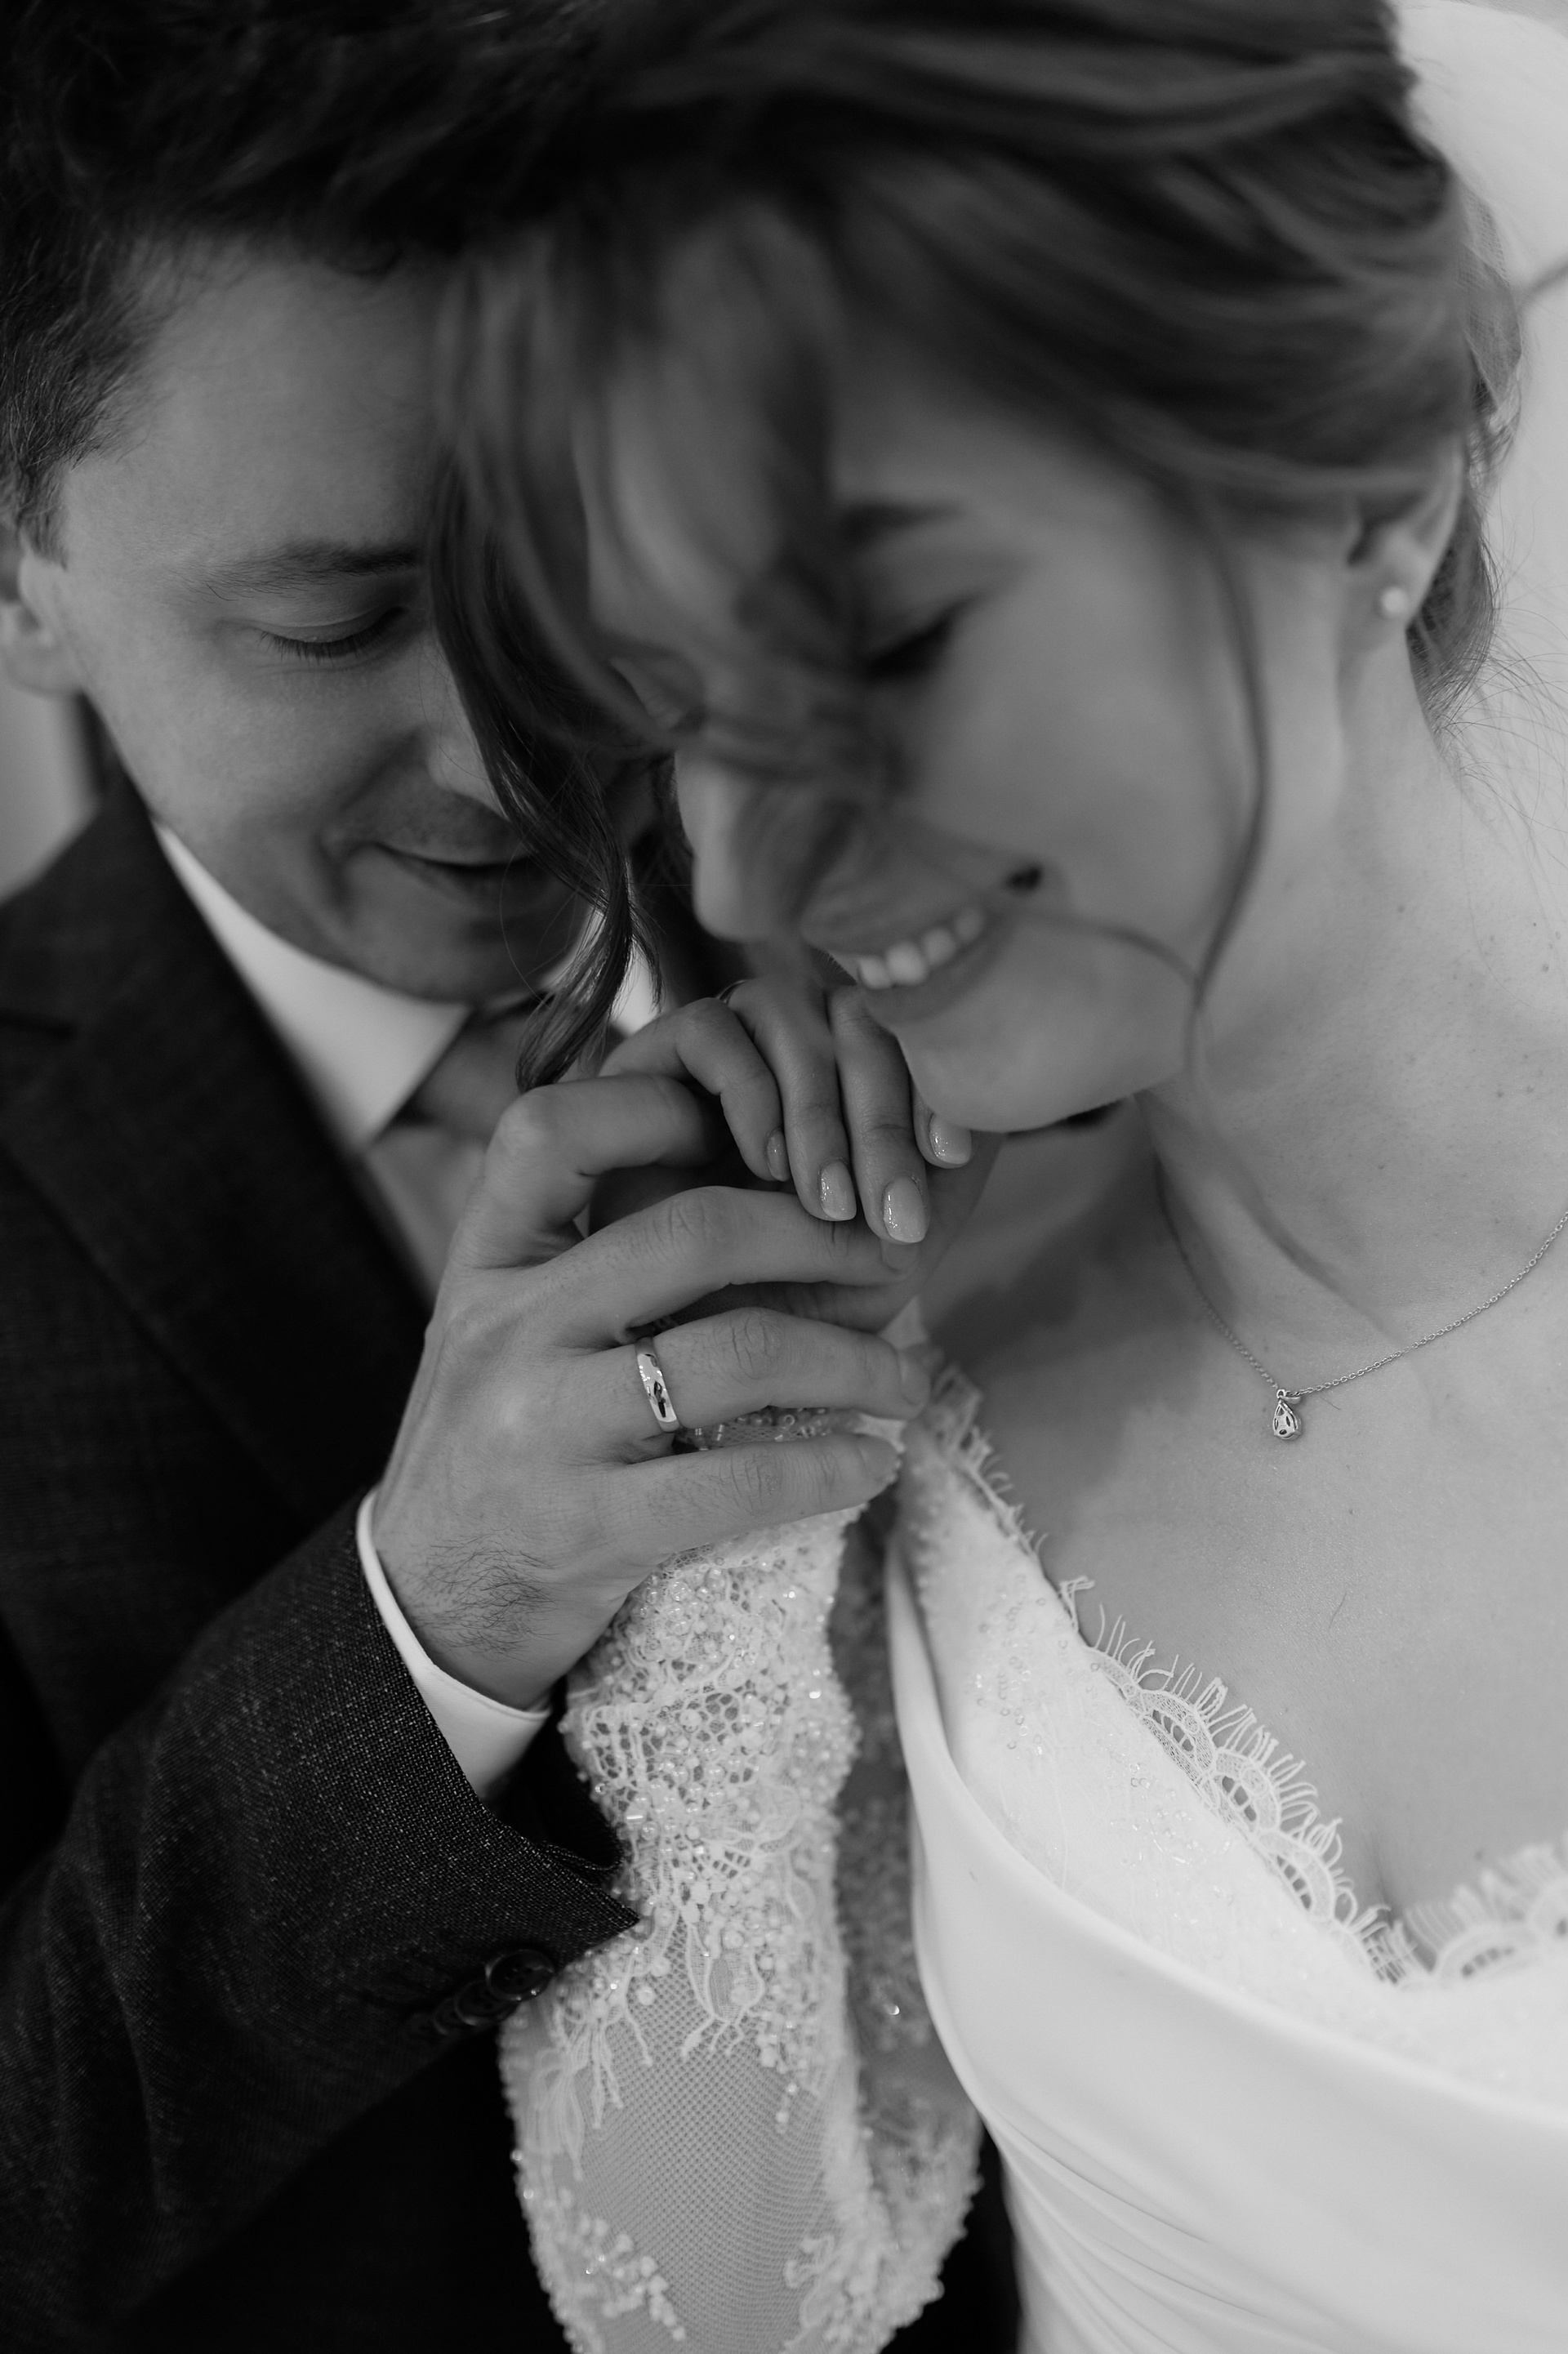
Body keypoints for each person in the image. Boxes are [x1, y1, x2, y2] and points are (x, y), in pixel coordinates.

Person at [445, 0, 1568, 2346]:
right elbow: (719, 2314)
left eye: (883, 640)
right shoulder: (867, 1369)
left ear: (1368, 480)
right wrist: (710, 1505)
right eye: (681, 718)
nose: (750, 858)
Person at [0, 2, 1013, 2345]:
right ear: (23, 558)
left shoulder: (1006, 940)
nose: (505, 752)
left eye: (574, 579)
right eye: (337, 618)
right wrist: (430, 1613)